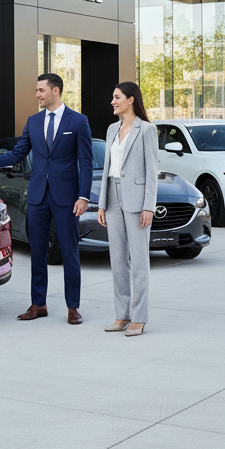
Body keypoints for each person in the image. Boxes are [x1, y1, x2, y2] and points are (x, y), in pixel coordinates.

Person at [0, 73, 93, 324]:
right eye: (36, 90)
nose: (37, 95)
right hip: (37, 197)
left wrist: (83, 196)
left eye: (41, 90)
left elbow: (86, 163)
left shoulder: (78, 121)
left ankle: (73, 307)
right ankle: (38, 304)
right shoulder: (33, 122)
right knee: (38, 253)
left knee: (70, 252)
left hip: (66, 198)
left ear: (55, 91)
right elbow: (16, 154)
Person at [97, 81, 159, 337]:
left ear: (131, 99)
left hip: (136, 200)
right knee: (118, 261)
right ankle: (122, 315)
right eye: (113, 97)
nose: (113, 101)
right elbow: (106, 169)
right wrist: (102, 203)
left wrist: (149, 206)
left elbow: (152, 171)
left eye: (117, 97)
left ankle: (139, 317)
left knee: (139, 261)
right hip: (112, 196)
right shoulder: (112, 129)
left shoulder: (147, 130)